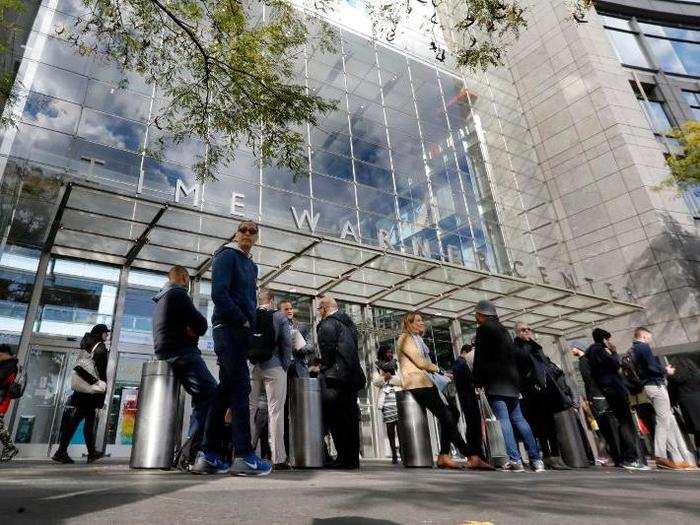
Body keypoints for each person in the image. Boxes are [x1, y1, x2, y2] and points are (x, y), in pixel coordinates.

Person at [192, 220, 272, 476]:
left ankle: (208, 455)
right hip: (228, 328)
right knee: (241, 388)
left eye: (253, 231)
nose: (247, 233)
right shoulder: (226, 256)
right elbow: (219, 294)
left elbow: (247, 297)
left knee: (225, 392)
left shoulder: (252, 265)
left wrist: (250, 326)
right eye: (243, 229)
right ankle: (244, 455)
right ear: (237, 234)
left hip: (240, 332)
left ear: (257, 237)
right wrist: (243, 319)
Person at [152, 265, 218, 469]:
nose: (189, 284)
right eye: (188, 280)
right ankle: (189, 454)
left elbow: (194, 327)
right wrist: (191, 331)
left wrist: (191, 329)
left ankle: (187, 453)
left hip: (169, 352)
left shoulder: (162, 298)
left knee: (202, 398)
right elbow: (201, 324)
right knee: (212, 395)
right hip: (183, 352)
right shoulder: (178, 293)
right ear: (183, 277)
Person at [472, 300, 544, 473]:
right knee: (519, 419)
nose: (475, 317)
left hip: (496, 381)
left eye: (476, 314)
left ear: (482, 314)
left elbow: (480, 357)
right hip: (512, 382)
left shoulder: (483, 330)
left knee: (503, 419)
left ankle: (515, 460)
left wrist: (477, 381)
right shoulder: (504, 330)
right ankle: (536, 459)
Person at [396, 311, 472, 470]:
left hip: (426, 382)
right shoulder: (405, 338)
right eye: (418, 320)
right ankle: (469, 455)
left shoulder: (418, 340)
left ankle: (445, 455)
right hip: (417, 383)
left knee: (453, 413)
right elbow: (420, 362)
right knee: (447, 416)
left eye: (421, 320)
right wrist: (439, 370)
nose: (422, 323)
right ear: (409, 323)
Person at [586, 327, 648, 471]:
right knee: (625, 423)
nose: (610, 342)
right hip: (614, 389)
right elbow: (614, 365)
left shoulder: (591, 353)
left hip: (607, 389)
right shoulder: (599, 351)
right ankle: (631, 458)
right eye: (608, 339)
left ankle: (628, 457)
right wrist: (613, 353)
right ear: (604, 339)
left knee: (622, 422)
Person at [513, 322, 573, 470]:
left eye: (528, 329)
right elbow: (521, 365)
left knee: (550, 424)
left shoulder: (535, 346)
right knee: (540, 425)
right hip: (532, 392)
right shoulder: (518, 348)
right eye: (523, 330)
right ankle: (546, 456)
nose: (527, 332)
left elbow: (545, 364)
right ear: (517, 332)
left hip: (546, 390)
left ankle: (555, 456)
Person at [316, 294, 366, 469]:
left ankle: (343, 459)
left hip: (334, 377)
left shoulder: (327, 323)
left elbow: (327, 350)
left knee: (336, 418)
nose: (319, 313)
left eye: (319, 309)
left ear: (324, 308)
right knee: (350, 418)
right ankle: (352, 459)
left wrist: (322, 366)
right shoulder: (349, 324)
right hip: (350, 376)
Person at [248, 288, 293, 470]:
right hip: (273, 365)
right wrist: (284, 365)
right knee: (275, 411)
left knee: (250, 410)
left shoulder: (250, 314)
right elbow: (287, 343)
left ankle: (246, 453)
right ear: (272, 301)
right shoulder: (279, 316)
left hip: (252, 366)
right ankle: (278, 458)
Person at [52, 324, 110, 464]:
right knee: (77, 422)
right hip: (90, 391)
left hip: (82, 390)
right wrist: (102, 389)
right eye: (105, 333)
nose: (107, 336)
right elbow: (101, 373)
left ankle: (90, 452)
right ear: (100, 334)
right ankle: (62, 452)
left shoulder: (86, 346)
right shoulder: (100, 348)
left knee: (85, 422)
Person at [632, 327, 688, 469]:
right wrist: (666, 370)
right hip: (655, 385)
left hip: (649, 387)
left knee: (666, 419)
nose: (650, 340)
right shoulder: (643, 347)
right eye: (649, 337)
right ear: (643, 336)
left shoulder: (634, 349)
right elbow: (652, 366)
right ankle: (661, 455)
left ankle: (673, 457)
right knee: (663, 420)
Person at [570, 341, 622, 467]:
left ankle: (613, 456)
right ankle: (612, 456)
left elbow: (589, 381)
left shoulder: (584, 362)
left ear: (579, 348)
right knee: (603, 428)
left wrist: (591, 398)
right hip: (596, 397)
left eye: (573, 347)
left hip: (596, 397)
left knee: (604, 427)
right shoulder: (585, 361)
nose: (571, 350)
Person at [451, 344, 494, 470]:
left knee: (473, 425)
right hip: (468, 397)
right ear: (465, 352)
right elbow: (466, 381)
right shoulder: (460, 364)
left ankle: (476, 453)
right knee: (473, 425)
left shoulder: (458, 364)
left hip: (467, 396)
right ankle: (475, 454)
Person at [667, 356, 700, 467]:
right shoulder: (697, 374)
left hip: (687, 405)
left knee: (697, 432)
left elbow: (672, 395)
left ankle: (699, 457)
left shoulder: (675, 378)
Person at [372, 344, 402, 464]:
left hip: (397, 397)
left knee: (400, 428)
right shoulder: (378, 366)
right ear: (383, 353)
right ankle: (394, 454)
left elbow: (401, 380)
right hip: (386, 401)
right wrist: (384, 379)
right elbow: (375, 382)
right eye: (388, 352)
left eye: (391, 352)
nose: (390, 354)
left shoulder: (396, 365)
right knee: (390, 428)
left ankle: (403, 452)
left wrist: (390, 378)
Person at [0, 344, 19, 462]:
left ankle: (10, 447)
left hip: (2, 398)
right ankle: (10, 447)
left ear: (5, 354)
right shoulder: (7, 365)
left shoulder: (10, 365)